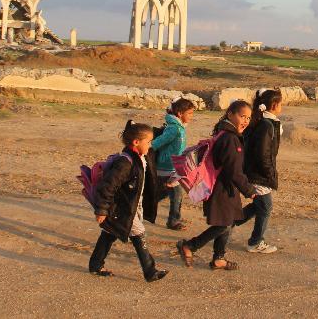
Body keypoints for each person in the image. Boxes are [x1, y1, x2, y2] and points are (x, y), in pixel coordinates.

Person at [176, 101, 256, 271]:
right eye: (242, 116)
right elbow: (234, 170)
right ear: (230, 114)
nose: (246, 121)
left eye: (248, 118)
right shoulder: (230, 138)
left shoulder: (225, 133)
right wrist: (249, 190)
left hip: (225, 187)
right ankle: (190, 245)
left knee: (229, 221)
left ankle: (219, 258)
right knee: (224, 224)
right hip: (222, 188)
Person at [88, 120, 168, 282]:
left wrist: (166, 186)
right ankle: (150, 271)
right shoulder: (125, 162)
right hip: (122, 208)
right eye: (148, 142)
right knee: (139, 234)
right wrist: (102, 210)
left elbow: (147, 181)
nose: (151, 145)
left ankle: (95, 265)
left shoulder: (143, 157)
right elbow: (108, 186)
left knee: (109, 233)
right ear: (136, 142)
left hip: (133, 206)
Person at [234, 88, 283, 254]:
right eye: (281, 103)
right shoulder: (267, 124)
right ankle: (255, 242)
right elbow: (263, 154)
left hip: (252, 171)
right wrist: (269, 174)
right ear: (275, 105)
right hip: (258, 174)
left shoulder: (258, 120)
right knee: (266, 207)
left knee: (258, 205)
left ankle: (228, 222)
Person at [151, 97, 196, 230]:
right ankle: (173, 221)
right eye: (189, 113)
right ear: (180, 113)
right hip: (166, 167)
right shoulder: (174, 129)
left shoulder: (179, 128)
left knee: (166, 194)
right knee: (174, 194)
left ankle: (138, 207)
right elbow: (156, 144)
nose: (191, 116)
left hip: (174, 167)